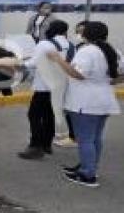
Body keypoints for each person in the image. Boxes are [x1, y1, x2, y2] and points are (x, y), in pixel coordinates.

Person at [48, 22, 121, 188]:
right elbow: (120, 76)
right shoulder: (113, 51)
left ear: (86, 35)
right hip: (104, 101)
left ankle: (88, 175)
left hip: (86, 103)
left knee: (85, 139)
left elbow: (78, 74)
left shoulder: (87, 51)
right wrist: (105, 82)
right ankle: (89, 167)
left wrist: (58, 59)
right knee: (95, 138)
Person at [19, 20, 72, 160]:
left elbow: (33, 63)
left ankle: (35, 146)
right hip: (60, 86)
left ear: (50, 29)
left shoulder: (45, 43)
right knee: (50, 115)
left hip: (44, 86)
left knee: (34, 115)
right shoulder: (71, 45)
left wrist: (18, 64)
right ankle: (47, 144)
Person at [53, 21, 88, 149]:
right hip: (75, 84)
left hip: (81, 86)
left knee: (75, 112)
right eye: (77, 31)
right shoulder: (78, 46)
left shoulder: (87, 49)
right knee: (71, 111)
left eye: (82, 32)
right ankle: (76, 136)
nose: (79, 34)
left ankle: (76, 138)